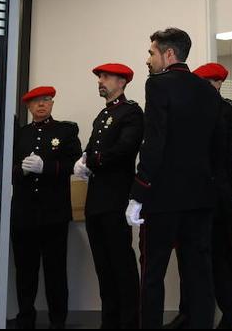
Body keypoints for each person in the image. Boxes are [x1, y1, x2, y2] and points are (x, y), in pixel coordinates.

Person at [129, 28, 229, 329]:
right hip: (200, 196)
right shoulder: (207, 91)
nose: (148, 60)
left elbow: (154, 141)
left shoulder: (158, 85)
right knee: (198, 274)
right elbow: (219, 148)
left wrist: (139, 189)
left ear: (168, 54)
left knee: (152, 274)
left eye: (151, 53)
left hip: (163, 197)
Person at [73, 63, 143, 329]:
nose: (100, 81)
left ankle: (129, 322)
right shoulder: (102, 116)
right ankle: (109, 321)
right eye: (99, 77)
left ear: (122, 82)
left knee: (121, 266)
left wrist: (91, 159)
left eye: (105, 77)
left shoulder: (131, 112)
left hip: (116, 199)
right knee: (103, 267)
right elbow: (91, 149)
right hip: (96, 201)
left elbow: (125, 149)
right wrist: (83, 161)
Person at [11, 86, 81, 329]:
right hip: (23, 214)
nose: (42, 105)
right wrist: (22, 170)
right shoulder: (19, 135)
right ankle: (25, 318)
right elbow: (7, 170)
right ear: (29, 107)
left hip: (54, 214)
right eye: (36, 102)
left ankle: (58, 321)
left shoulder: (65, 130)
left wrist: (47, 167)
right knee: (25, 271)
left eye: (46, 100)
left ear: (52, 104)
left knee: (55, 271)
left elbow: (75, 163)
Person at [189, 62, 232, 330]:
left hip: (219, 197)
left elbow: (228, 153)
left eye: (216, 83)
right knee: (194, 260)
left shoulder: (230, 111)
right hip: (193, 198)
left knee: (222, 259)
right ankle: (193, 314)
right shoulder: (189, 112)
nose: (213, 88)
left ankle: (231, 313)